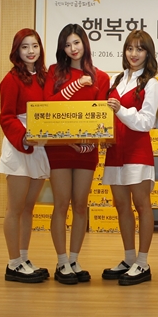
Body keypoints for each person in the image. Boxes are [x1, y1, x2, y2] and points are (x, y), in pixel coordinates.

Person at [45, 24, 110, 285]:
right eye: (67, 44)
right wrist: (76, 85)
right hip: (59, 148)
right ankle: (61, 262)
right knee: (61, 204)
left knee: (80, 205)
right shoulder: (54, 72)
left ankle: (74, 260)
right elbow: (48, 107)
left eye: (77, 42)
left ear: (85, 43)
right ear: (62, 48)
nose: (73, 48)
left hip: (86, 151)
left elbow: (101, 118)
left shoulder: (101, 77)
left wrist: (87, 143)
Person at [101, 30, 158, 286]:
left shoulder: (152, 84)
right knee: (121, 206)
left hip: (137, 151)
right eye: (130, 48)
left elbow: (146, 122)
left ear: (148, 53)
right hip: (115, 151)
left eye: (139, 49)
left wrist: (121, 110)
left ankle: (143, 262)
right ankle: (129, 259)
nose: (134, 54)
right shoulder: (116, 79)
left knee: (142, 205)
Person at [0, 28, 51, 283]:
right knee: (15, 208)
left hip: (39, 146)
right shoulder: (11, 79)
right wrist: (24, 138)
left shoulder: (44, 77)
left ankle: (24, 258)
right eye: (25, 47)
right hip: (20, 144)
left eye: (35, 46)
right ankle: (13, 263)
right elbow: (6, 117)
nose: (31, 51)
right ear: (17, 51)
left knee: (29, 207)